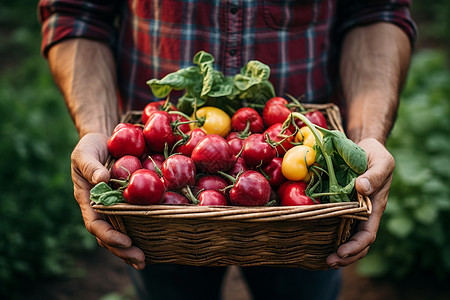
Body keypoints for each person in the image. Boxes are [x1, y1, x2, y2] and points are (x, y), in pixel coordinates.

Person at [38, 1, 417, 299]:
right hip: (154, 218)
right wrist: (98, 130)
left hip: (308, 220)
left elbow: (376, 10)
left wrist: (366, 136)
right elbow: (76, 13)